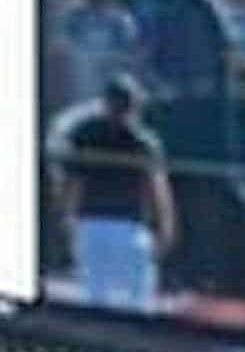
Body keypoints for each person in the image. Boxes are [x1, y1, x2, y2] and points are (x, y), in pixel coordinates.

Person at [51, 70, 172, 311]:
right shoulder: (143, 143)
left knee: (95, 301)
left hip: (93, 227)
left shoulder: (86, 137)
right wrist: (165, 228)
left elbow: (72, 186)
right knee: (138, 305)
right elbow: (157, 191)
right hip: (128, 229)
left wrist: (65, 219)